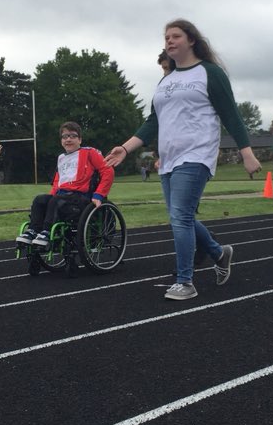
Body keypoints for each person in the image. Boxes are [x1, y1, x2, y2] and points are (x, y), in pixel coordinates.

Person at [105, 19, 260, 301]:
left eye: (175, 36)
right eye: (166, 37)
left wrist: (246, 152)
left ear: (191, 40)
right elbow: (153, 121)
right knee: (181, 216)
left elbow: (231, 114)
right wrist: (125, 148)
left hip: (197, 155)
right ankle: (219, 253)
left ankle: (185, 282)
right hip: (169, 159)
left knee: (180, 217)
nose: (169, 41)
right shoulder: (167, 80)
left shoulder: (210, 73)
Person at [16, 121, 113, 247]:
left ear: (80, 140)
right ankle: (33, 230)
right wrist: (50, 198)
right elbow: (57, 182)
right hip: (62, 197)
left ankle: (46, 231)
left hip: (81, 198)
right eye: (65, 136)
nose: (68, 139)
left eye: (72, 136)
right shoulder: (61, 158)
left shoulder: (89, 153)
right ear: (61, 140)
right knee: (39, 200)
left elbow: (107, 171)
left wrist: (99, 194)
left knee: (56, 200)